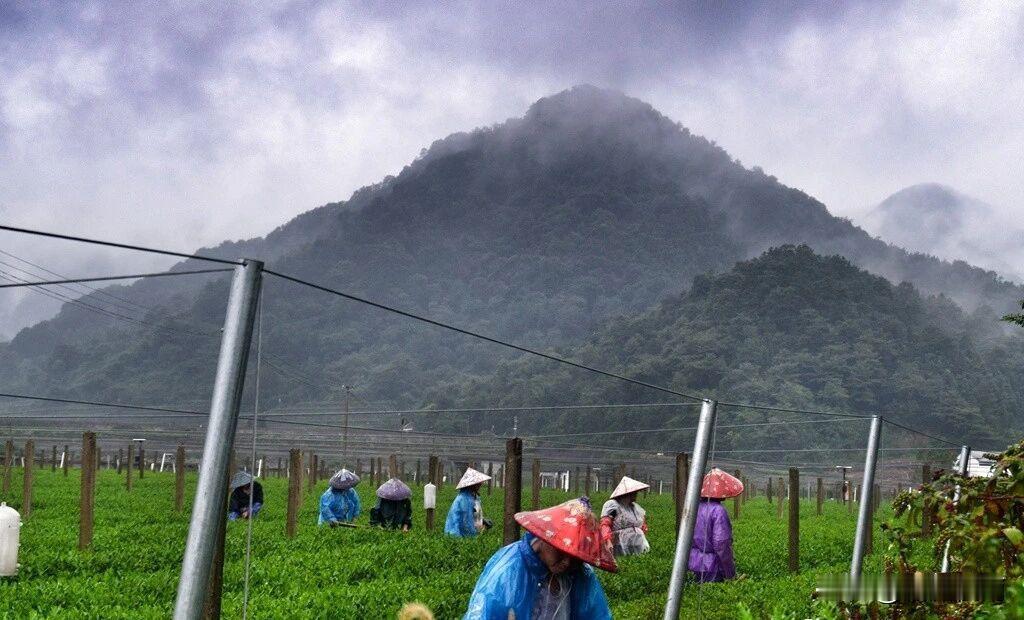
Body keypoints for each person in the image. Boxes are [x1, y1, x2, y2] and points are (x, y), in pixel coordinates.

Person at [463, 497, 616, 619]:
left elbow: (596, 614)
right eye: (561, 552)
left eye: (575, 558)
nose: (567, 563)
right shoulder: (510, 568)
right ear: (545, 538)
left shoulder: (580, 574)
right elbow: (482, 613)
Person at [688, 467, 742, 583]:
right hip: (711, 567)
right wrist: (729, 572)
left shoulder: (694, 508)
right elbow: (721, 543)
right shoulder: (718, 511)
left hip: (691, 562)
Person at [600, 476, 650, 556]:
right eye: (634, 492)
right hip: (619, 546)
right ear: (627, 493)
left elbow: (642, 526)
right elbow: (605, 524)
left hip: (637, 545)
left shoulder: (636, 508)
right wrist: (607, 541)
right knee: (622, 564)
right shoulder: (613, 505)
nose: (636, 494)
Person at [445, 467, 492, 537]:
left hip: (472, 534)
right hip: (460, 535)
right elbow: (462, 521)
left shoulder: (475, 497)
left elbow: (473, 514)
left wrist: (482, 520)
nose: (480, 485)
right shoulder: (463, 499)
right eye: (478, 484)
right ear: (471, 485)